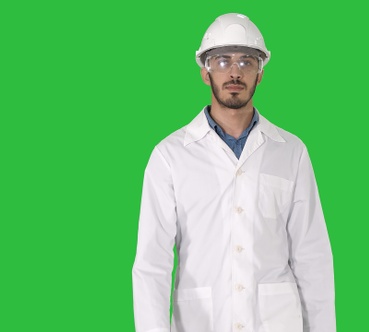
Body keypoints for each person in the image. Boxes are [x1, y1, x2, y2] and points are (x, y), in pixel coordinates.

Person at [132, 13, 335, 332]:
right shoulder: (169, 155)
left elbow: (313, 257)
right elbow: (152, 264)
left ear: (260, 74)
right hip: (201, 322)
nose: (235, 72)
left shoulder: (291, 152)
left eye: (247, 61)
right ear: (205, 72)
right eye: (223, 61)